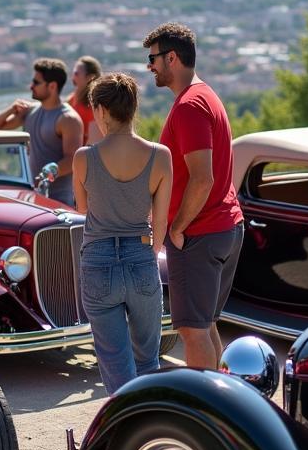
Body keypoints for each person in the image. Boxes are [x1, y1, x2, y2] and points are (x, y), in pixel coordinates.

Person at [144, 22, 244, 371]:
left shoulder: (189, 105)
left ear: (172, 58)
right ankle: (218, 400)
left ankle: (202, 412)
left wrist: (176, 228)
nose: (149, 66)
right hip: (224, 226)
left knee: (192, 330)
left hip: (200, 233)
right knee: (206, 324)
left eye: (153, 58)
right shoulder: (205, 95)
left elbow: (202, 178)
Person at [72, 73, 172, 394]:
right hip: (141, 256)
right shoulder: (161, 155)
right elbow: (161, 221)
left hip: (99, 260)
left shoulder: (84, 157)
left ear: (100, 110)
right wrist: (148, 252)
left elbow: (84, 208)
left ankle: (125, 431)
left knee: (115, 362)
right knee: (148, 361)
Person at [0, 57, 83, 205]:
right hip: (32, 197)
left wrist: (47, 174)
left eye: (36, 82)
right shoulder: (29, 112)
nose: (31, 86)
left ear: (52, 86)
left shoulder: (68, 119)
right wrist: (11, 109)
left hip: (60, 201)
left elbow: (72, 159)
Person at [68, 56, 102, 144]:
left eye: (76, 73)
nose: (73, 76)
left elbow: (94, 141)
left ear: (90, 77)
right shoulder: (71, 99)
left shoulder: (93, 105)